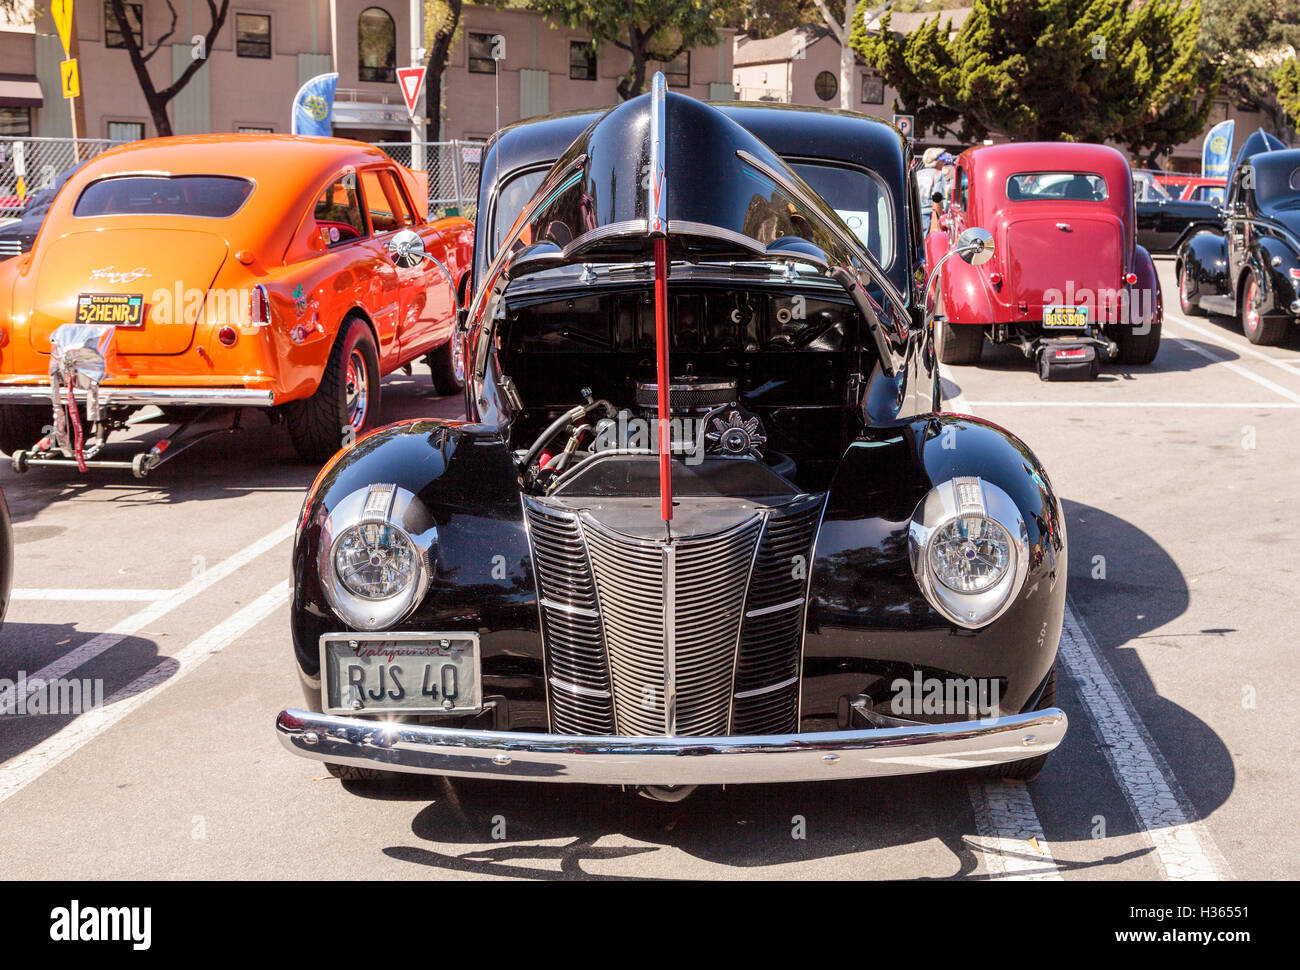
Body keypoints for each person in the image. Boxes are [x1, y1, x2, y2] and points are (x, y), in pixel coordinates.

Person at [916, 147, 943, 235]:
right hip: (929, 215)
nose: (943, 163)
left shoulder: (917, 174)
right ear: (937, 162)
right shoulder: (938, 174)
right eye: (942, 161)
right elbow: (937, 199)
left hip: (916, 213)